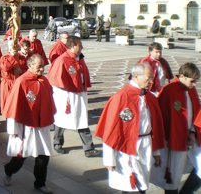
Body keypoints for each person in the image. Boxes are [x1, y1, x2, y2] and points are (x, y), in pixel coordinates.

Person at [95, 62, 165, 193]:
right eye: (148, 78)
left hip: (146, 146)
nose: (151, 81)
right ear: (136, 76)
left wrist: (156, 152)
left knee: (143, 184)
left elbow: (154, 127)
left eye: (152, 78)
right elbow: (110, 130)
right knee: (131, 187)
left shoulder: (150, 97)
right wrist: (109, 159)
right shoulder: (121, 97)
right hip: (127, 148)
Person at [2, 54, 56, 194]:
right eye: (39, 67)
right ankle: (9, 170)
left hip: (41, 125)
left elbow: (49, 101)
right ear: (30, 66)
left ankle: (40, 183)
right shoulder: (21, 82)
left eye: (43, 66)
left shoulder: (44, 81)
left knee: (43, 156)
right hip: (26, 126)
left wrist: (49, 120)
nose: (42, 70)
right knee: (20, 157)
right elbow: (14, 106)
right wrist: (13, 128)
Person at [150, 62, 201, 193]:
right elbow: (160, 116)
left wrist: (193, 132)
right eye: (192, 81)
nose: (194, 84)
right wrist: (164, 137)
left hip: (190, 136)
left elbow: (196, 111)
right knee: (173, 173)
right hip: (173, 139)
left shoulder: (191, 89)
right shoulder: (169, 90)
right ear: (182, 76)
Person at [47, 36, 99, 157]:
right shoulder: (62, 60)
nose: (81, 47)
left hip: (80, 93)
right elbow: (55, 79)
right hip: (67, 95)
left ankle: (88, 148)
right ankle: (57, 143)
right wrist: (66, 93)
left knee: (82, 119)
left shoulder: (80, 58)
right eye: (79, 45)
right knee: (62, 119)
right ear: (72, 45)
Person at [0, 42, 26, 114]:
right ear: (9, 48)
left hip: (18, 84)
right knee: (8, 107)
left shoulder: (21, 57)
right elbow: (5, 68)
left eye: (16, 47)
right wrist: (12, 56)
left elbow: (25, 69)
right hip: (8, 84)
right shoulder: (4, 58)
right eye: (13, 47)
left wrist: (21, 71)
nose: (15, 49)